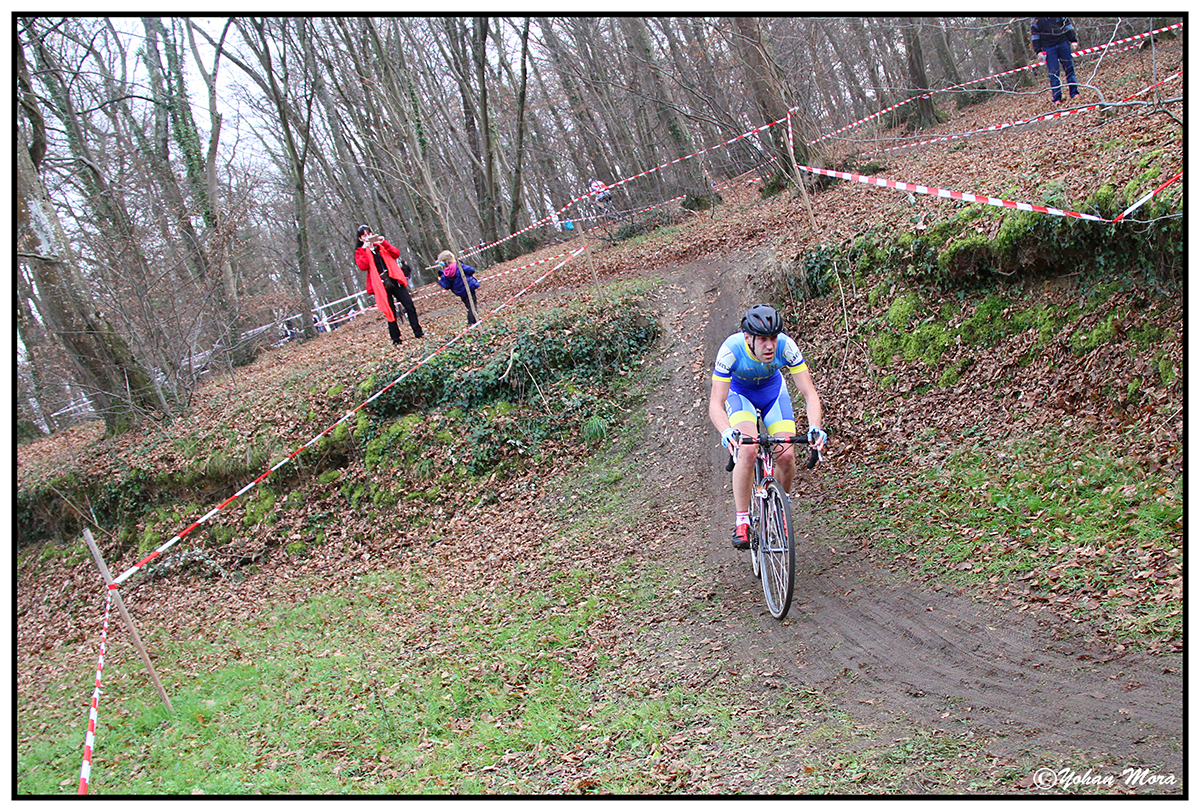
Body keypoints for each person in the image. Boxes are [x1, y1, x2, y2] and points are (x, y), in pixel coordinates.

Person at [708, 304, 826, 549]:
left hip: (773, 393)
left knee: (786, 455)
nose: (770, 345)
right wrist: (726, 431)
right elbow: (716, 403)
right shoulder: (731, 350)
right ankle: (742, 521)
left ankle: (780, 509)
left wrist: (815, 427)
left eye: (773, 338)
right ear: (748, 338)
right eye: (762, 339)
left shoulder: (787, 346)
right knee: (747, 450)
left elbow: (810, 394)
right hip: (740, 395)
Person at [356, 225, 424, 345]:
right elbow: (363, 266)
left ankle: (418, 332)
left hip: (394, 280)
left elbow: (395, 253)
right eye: (364, 235)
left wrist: (384, 242)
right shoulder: (360, 252)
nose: (368, 237)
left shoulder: (380, 246)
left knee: (409, 305)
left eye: (369, 234)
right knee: (390, 312)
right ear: (360, 238)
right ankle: (396, 339)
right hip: (381, 285)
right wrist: (365, 249)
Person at [1032, 17, 1079, 105]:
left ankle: (1074, 92)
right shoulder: (1036, 19)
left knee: (1069, 69)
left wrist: (1073, 40)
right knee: (1053, 73)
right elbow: (1035, 35)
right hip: (1048, 47)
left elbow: (1067, 25)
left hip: (1063, 43)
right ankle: (1057, 98)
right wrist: (1038, 51)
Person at [435, 250, 481, 325]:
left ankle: (475, 319)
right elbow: (471, 270)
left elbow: (446, 286)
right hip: (468, 288)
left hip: (460, 292)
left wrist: (440, 281)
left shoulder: (445, 273)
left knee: (469, 306)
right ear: (452, 258)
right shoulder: (459, 266)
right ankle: (472, 322)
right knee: (472, 307)